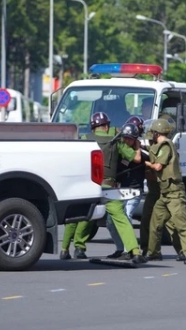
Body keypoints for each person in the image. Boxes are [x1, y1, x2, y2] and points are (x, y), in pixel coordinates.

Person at [62, 112, 147, 263]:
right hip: (108, 187)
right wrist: (138, 146)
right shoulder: (116, 142)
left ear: (93, 127)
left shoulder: (84, 140)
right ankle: (135, 251)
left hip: (87, 186)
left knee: (75, 216)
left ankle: (64, 250)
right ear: (107, 126)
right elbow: (136, 158)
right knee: (121, 218)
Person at [144, 118, 186, 264]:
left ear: (157, 133)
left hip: (174, 193)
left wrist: (144, 161)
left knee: (181, 223)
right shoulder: (160, 146)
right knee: (156, 223)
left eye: (153, 133)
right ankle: (153, 252)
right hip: (164, 193)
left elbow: (157, 167)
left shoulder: (166, 146)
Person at [105, 121, 148, 258]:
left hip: (134, 191)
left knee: (127, 216)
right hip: (120, 191)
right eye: (125, 137)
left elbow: (149, 162)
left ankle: (128, 250)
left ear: (135, 140)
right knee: (110, 222)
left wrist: (139, 150)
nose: (127, 140)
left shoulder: (140, 154)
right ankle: (120, 248)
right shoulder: (119, 150)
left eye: (130, 138)